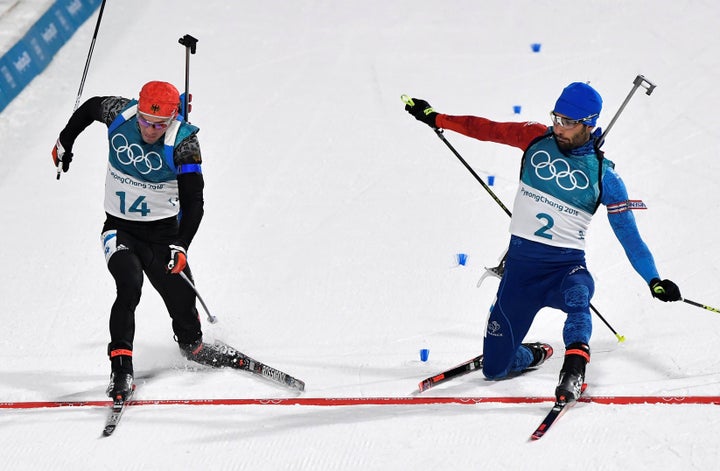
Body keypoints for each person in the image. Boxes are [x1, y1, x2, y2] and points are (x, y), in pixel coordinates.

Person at [405, 82, 682, 403]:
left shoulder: (606, 178)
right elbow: (486, 128)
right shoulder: (535, 138)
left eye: (568, 122)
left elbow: (629, 236)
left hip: (564, 269)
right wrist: (436, 118)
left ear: (589, 125)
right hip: (520, 276)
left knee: (579, 296)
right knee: (495, 370)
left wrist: (654, 279)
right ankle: (533, 354)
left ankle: (574, 371)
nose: (558, 128)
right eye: (556, 118)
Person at [52, 81, 242, 401]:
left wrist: (181, 244)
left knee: (183, 303)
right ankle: (121, 369)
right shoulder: (120, 113)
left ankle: (193, 346)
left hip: (163, 236)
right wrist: (64, 141)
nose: (150, 130)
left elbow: (195, 202)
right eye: (144, 120)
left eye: (159, 124)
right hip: (119, 230)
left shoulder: (184, 143)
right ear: (137, 109)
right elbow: (89, 107)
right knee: (129, 285)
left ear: (171, 119)